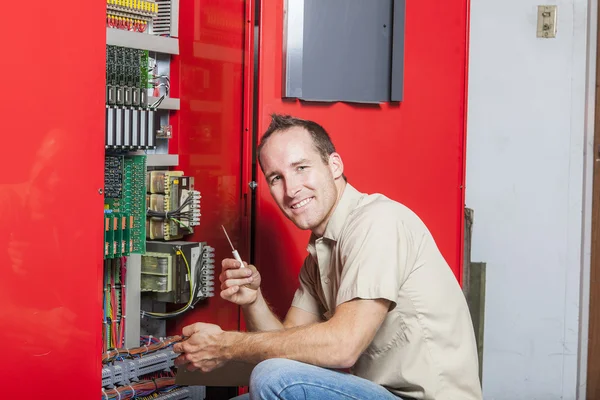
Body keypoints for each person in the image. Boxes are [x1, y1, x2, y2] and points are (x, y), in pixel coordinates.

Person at [173, 114, 483, 400]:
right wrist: (253, 301)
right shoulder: (319, 253)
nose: (292, 189)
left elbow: (343, 346)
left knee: (274, 377)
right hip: (376, 393)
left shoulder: (377, 222)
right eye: (276, 178)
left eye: (301, 168)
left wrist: (225, 346)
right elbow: (286, 345)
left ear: (334, 165)